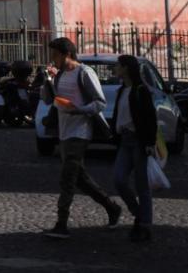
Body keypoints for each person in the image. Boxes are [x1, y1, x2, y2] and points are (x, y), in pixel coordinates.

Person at [42, 37, 121, 239]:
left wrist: (80, 110)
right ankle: (111, 207)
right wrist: (47, 81)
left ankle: (61, 223)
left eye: (55, 55)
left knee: (67, 178)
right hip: (64, 132)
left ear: (67, 54)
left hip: (81, 132)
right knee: (81, 179)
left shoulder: (85, 73)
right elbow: (48, 100)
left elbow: (100, 103)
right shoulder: (59, 76)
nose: (53, 59)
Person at [111, 55, 157, 243]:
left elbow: (150, 118)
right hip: (125, 140)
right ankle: (138, 213)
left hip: (138, 141)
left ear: (126, 68)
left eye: (117, 66)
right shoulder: (122, 90)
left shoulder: (140, 90)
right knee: (119, 179)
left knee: (141, 185)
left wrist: (149, 143)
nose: (115, 69)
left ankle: (145, 225)